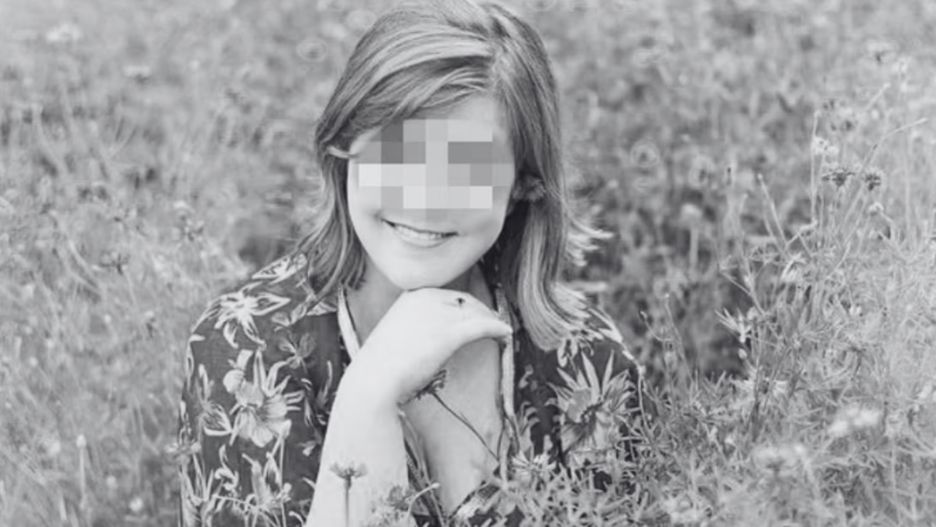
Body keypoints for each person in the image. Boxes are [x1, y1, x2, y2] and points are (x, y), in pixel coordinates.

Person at [176, 0, 647, 525]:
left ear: (522, 184)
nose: (423, 199)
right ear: (342, 148)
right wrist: (367, 399)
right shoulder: (246, 348)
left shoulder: (583, 357)